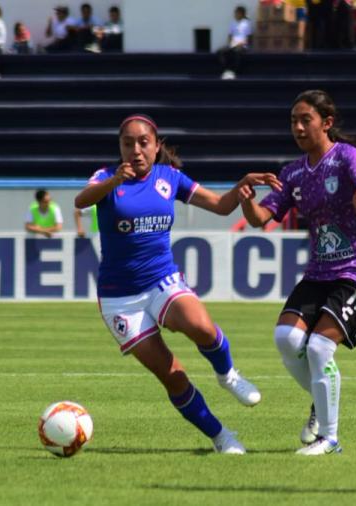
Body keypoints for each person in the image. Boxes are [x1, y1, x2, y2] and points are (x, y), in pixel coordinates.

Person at [74, 113, 281, 454]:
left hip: (162, 279)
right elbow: (81, 201)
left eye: (143, 143)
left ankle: (228, 375)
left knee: (201, 326)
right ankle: (221, 437)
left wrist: (242, 187)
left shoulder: (169, 177)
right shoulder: (106, 177)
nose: (136, 150)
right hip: (119, 298)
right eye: (128, 143)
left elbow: (220, 206)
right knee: (172, 375)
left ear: (156, 146)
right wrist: (114, 183)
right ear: (120, 147)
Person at [237, 90, 356, 456]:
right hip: (319, 272)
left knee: (319, 348)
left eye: (306, 120)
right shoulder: (293, 173)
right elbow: (260, 218)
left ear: (327, 123)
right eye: (294, 121)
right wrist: (246, 199)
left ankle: (330, 439)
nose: (299, 127)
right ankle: (321, 406)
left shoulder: (346, 156)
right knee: (287, 339)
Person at [217, 5, 252, 80]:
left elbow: (248, 37)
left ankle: (234, 71)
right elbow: (230, 35)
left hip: (242, 45)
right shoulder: (232, 23)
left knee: (236, 52)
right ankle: (226, 70)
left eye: (237, 13)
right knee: (220, 51)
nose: (235, 14)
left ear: (242, 14)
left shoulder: (246, 23)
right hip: (233, 44)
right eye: (235, 13)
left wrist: (241, 44)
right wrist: (230, 44)